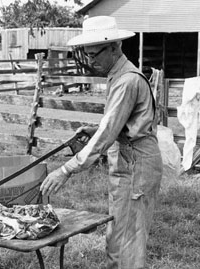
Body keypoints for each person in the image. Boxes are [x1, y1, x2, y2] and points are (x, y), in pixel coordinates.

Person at [40, 16, 163, 269]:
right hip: (127, 163)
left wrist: (66, 170)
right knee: (117, 235)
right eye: (88, 54)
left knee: (129, 241)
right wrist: (95, 128)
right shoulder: (117, 76)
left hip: (136, 168)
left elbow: (107, 135)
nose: (91, 61)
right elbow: (117, 125)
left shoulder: (127, 80)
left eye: (95, 54)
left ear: (115, 47)